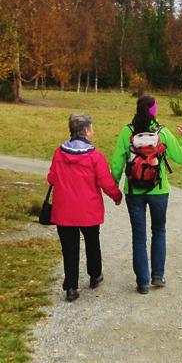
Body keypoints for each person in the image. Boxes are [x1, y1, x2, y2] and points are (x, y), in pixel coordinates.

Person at [110, 95, 182, 294]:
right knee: (159, 230)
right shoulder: (162, 132)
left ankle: (142, 283)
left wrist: (114, 189)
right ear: (154, 111)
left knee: (139, 236)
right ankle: (158, 276)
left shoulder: (126, 132)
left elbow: (116, 163)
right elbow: (181, 157)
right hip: (159, 190)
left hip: (134, 191)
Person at [48, 113, 122, 302]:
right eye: (92, 128)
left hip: (64, 210)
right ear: (87, 131)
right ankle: (95, 275)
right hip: (88, 210)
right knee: (92, 242)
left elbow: (51, 178)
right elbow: (105, 181)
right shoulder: (95, 156)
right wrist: (116, 196)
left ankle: (71, 287)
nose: (93, 131)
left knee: (69, 249)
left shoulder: (59, 152)